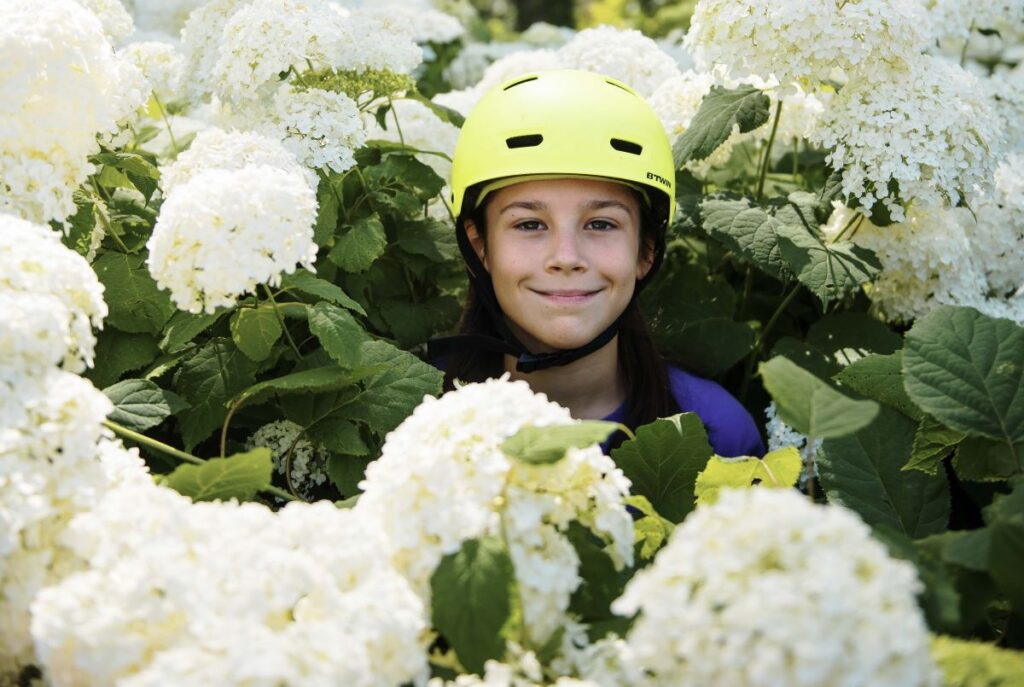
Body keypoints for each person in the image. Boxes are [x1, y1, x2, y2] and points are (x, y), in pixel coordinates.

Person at [428, 69, 764, 457]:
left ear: (646, 250)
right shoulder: (419, 422)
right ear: (480, 246)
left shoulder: (717, 435)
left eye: (601, 224)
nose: (566, 258)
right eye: (530, 224)